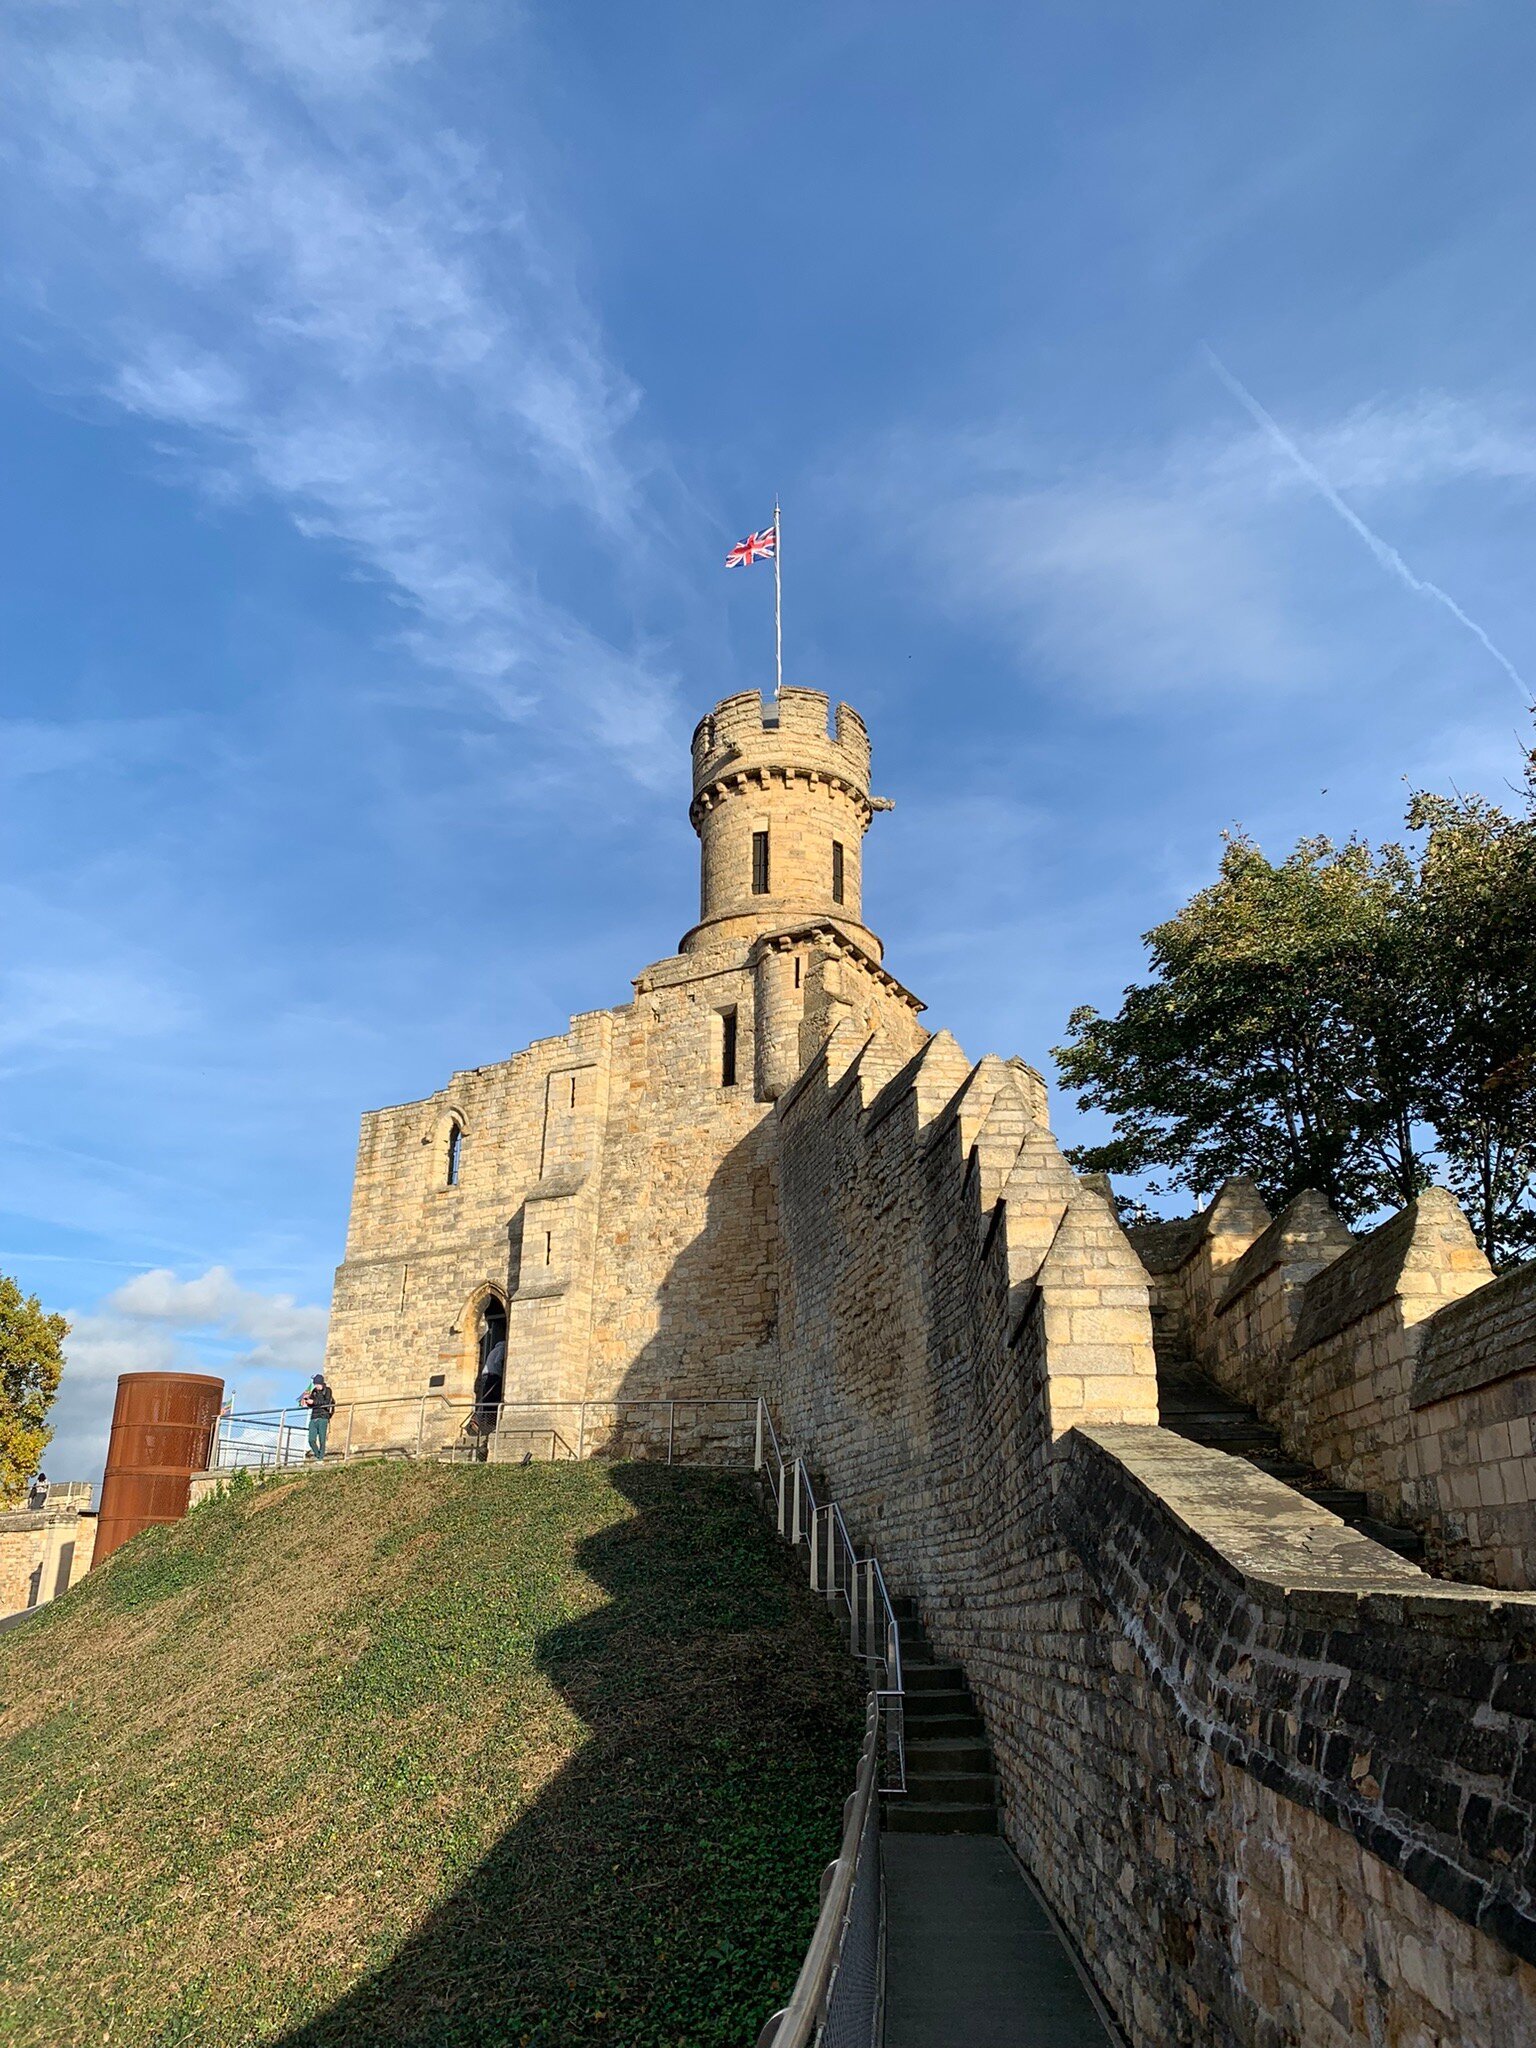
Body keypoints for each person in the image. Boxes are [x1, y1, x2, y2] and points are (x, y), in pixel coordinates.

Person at [470, 1314, 506, 1454]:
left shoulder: (494, 1348)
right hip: (493, 1375)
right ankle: (480, 1420)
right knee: (490, 1398)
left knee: (487, 1398)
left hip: (486, 1374)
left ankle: (484, 1421)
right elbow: (498, 1361)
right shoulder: (502, 1348)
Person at [299, 1374, 336, 1460]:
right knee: (311, 1440)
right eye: (315, 1384)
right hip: (314, 1417)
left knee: (322, 1439)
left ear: (322, 1383)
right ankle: (318, 1455)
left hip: (323, 1417)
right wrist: (308, 1402)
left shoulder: (327, 1391)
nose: (316, 1386)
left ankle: (321, 1457)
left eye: (317, 1384)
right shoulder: (314, 1391)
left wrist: (314, 1402)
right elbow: (312, 1404)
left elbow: (326, 1402)